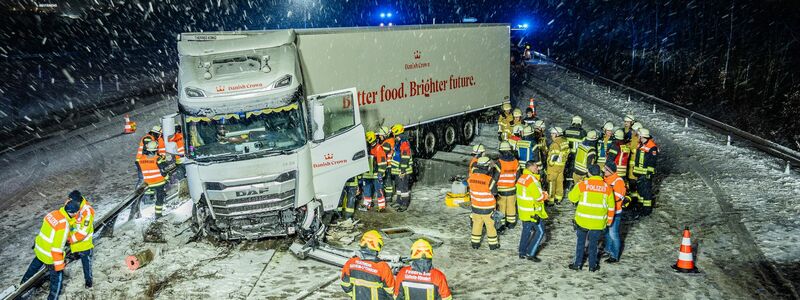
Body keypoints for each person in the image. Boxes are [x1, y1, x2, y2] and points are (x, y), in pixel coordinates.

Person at [21, 198, 80, 300]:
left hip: (40, 248)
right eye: (77, 213)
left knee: (33, 268)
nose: (78, 214)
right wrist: (59, 266)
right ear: (72, 213)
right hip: (50, 256)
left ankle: (22, 286)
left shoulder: (53, 213)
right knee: (57, 280)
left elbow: (51, 231)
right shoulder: (63, 226)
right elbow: (57, 249)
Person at [567, 165, 614, 272]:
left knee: (581, 243)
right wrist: (609, 221)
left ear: (589, 173)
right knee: (593, 245)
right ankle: (592, 266)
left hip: (582, 220)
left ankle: (577, 264)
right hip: (598, 222)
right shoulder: (607, 188)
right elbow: (611, 207)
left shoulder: (582, 185)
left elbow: (572, 198)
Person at [340, 230, 395, 299]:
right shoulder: (382, 267)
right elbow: (391, 291)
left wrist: (355, 295)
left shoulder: (351, 263)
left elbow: (345, 285)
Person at [516, 160, 548, 262]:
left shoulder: (522, 178)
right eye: (536, 167)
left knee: (526, 231)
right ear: (531, 167)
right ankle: (531, 253)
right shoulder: (532, 180)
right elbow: (538, 197)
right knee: (541, 231)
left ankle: (522, 252)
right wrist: (545, 195)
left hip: (524, 211)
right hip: (533, 212)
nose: (538, 169)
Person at [468, 157, 500, 250]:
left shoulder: (471, 177)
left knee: (477, 225)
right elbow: (494, 193)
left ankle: (475, 244)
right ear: (486, 166)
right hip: (488, 208)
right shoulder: (489, 180)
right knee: (491, 226)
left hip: (476, 207)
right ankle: (493, 245)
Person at [133, 140, 168, 219]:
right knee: (160, 197)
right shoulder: (157, 159)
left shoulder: (141, 159)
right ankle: (158, 214)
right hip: (159, 182)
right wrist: (167, 177)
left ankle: (149, 198)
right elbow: (163, 170)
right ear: (156, 149)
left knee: (151, 193)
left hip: (148, 183)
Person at [66, 190, 95, 288]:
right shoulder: (74, 204)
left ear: (76, 201)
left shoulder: (87, 211)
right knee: (79, 257)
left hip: (84, 244)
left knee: (86, 264)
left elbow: (83, 232)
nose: (68, 202)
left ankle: (88, 282)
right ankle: (75, 255)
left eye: (70, 200)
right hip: (75, 242)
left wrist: (69, 240)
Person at [603, 163, 627, 263]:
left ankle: (614, 256)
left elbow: (618, 197)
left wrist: (605, 196)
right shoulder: (605, 179)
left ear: (611, 171)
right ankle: (608, 250)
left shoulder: (618, 181)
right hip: (606, 211)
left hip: (615, 212)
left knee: (613, 234)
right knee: (607, 233)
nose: (604, 171)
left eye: (606, 170)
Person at [632, 128, 658, 217]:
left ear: (643, 136)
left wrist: (648, 174)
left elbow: (652, 162)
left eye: (639, 135)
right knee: (640, 192)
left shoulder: (652, 147)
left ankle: (647, 210)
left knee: (646, 193)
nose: (638, 137)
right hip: (639, 174)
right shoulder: (641, 144)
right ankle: (641, 208)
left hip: (646, 174)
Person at [495, 141, 520, 231]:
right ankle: (511, 223)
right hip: (512, 188)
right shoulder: (515, 161)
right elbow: (518, 175)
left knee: (501, 207)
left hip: (501, 189)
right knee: (511, 206)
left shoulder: (499, 163)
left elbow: (495, 177)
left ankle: (501, 224)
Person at [390, 124, 414, 212]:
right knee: (399, 187)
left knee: (404, 188)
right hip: (398, 170)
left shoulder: (404, 143)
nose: (393, 135)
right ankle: (399, 201)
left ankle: (404, 204)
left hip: (403, 171)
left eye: (394, 133)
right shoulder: (399, 142)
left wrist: (403, 170)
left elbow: (405, 157)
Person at [362, 131, 388, 212]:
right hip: (367, 174)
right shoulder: (367, 148)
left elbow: (383, 163)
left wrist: (380, 173)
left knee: (379, 190)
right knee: (367, 191)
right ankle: (367, 205)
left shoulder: (378, 148)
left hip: (376, 174)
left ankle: (382, 207)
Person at [564, 116, 587, 192]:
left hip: (567, 153)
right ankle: (573, 184)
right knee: (575, 170)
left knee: (566, 169)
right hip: (577, 154)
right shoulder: (582, 132)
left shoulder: (566, 130)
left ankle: (566, 183)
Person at [546, 127, 568, 205]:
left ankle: (551, 200)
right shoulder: (564, 141)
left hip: (554, 166)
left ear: (557, 134)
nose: (551, 135)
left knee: (551, 182)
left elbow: (554, 155)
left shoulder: (555, 144)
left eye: (552, 134)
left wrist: (550, 163)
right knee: (559, 182)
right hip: (561, 166)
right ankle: (558, 198)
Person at [378, 126, 396, 203]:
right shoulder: (391, 140)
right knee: (389, 181)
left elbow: (382, 155)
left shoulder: (386, 143)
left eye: (381, 135)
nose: (379, 136)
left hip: (388, 165)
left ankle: (388, 197)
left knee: (388, 182)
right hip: (391, 164)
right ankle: (389, 196)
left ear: (385, 135)